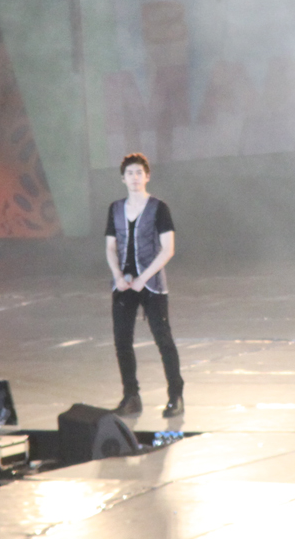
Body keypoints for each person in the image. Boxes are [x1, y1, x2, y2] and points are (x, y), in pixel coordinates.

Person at [105, 153, 184, 418]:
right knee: (122, 341)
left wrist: (143, 279)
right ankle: (131, 396)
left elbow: (168, 249)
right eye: (130, 173)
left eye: (139, 173)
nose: (135, 178)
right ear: (123, 179)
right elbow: (110, 247)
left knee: (163, 339)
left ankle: (175, 396)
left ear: (147, 176)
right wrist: (118, 276)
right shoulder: (115, 209)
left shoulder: (159, 208)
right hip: (123, 285)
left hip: (152, 285)